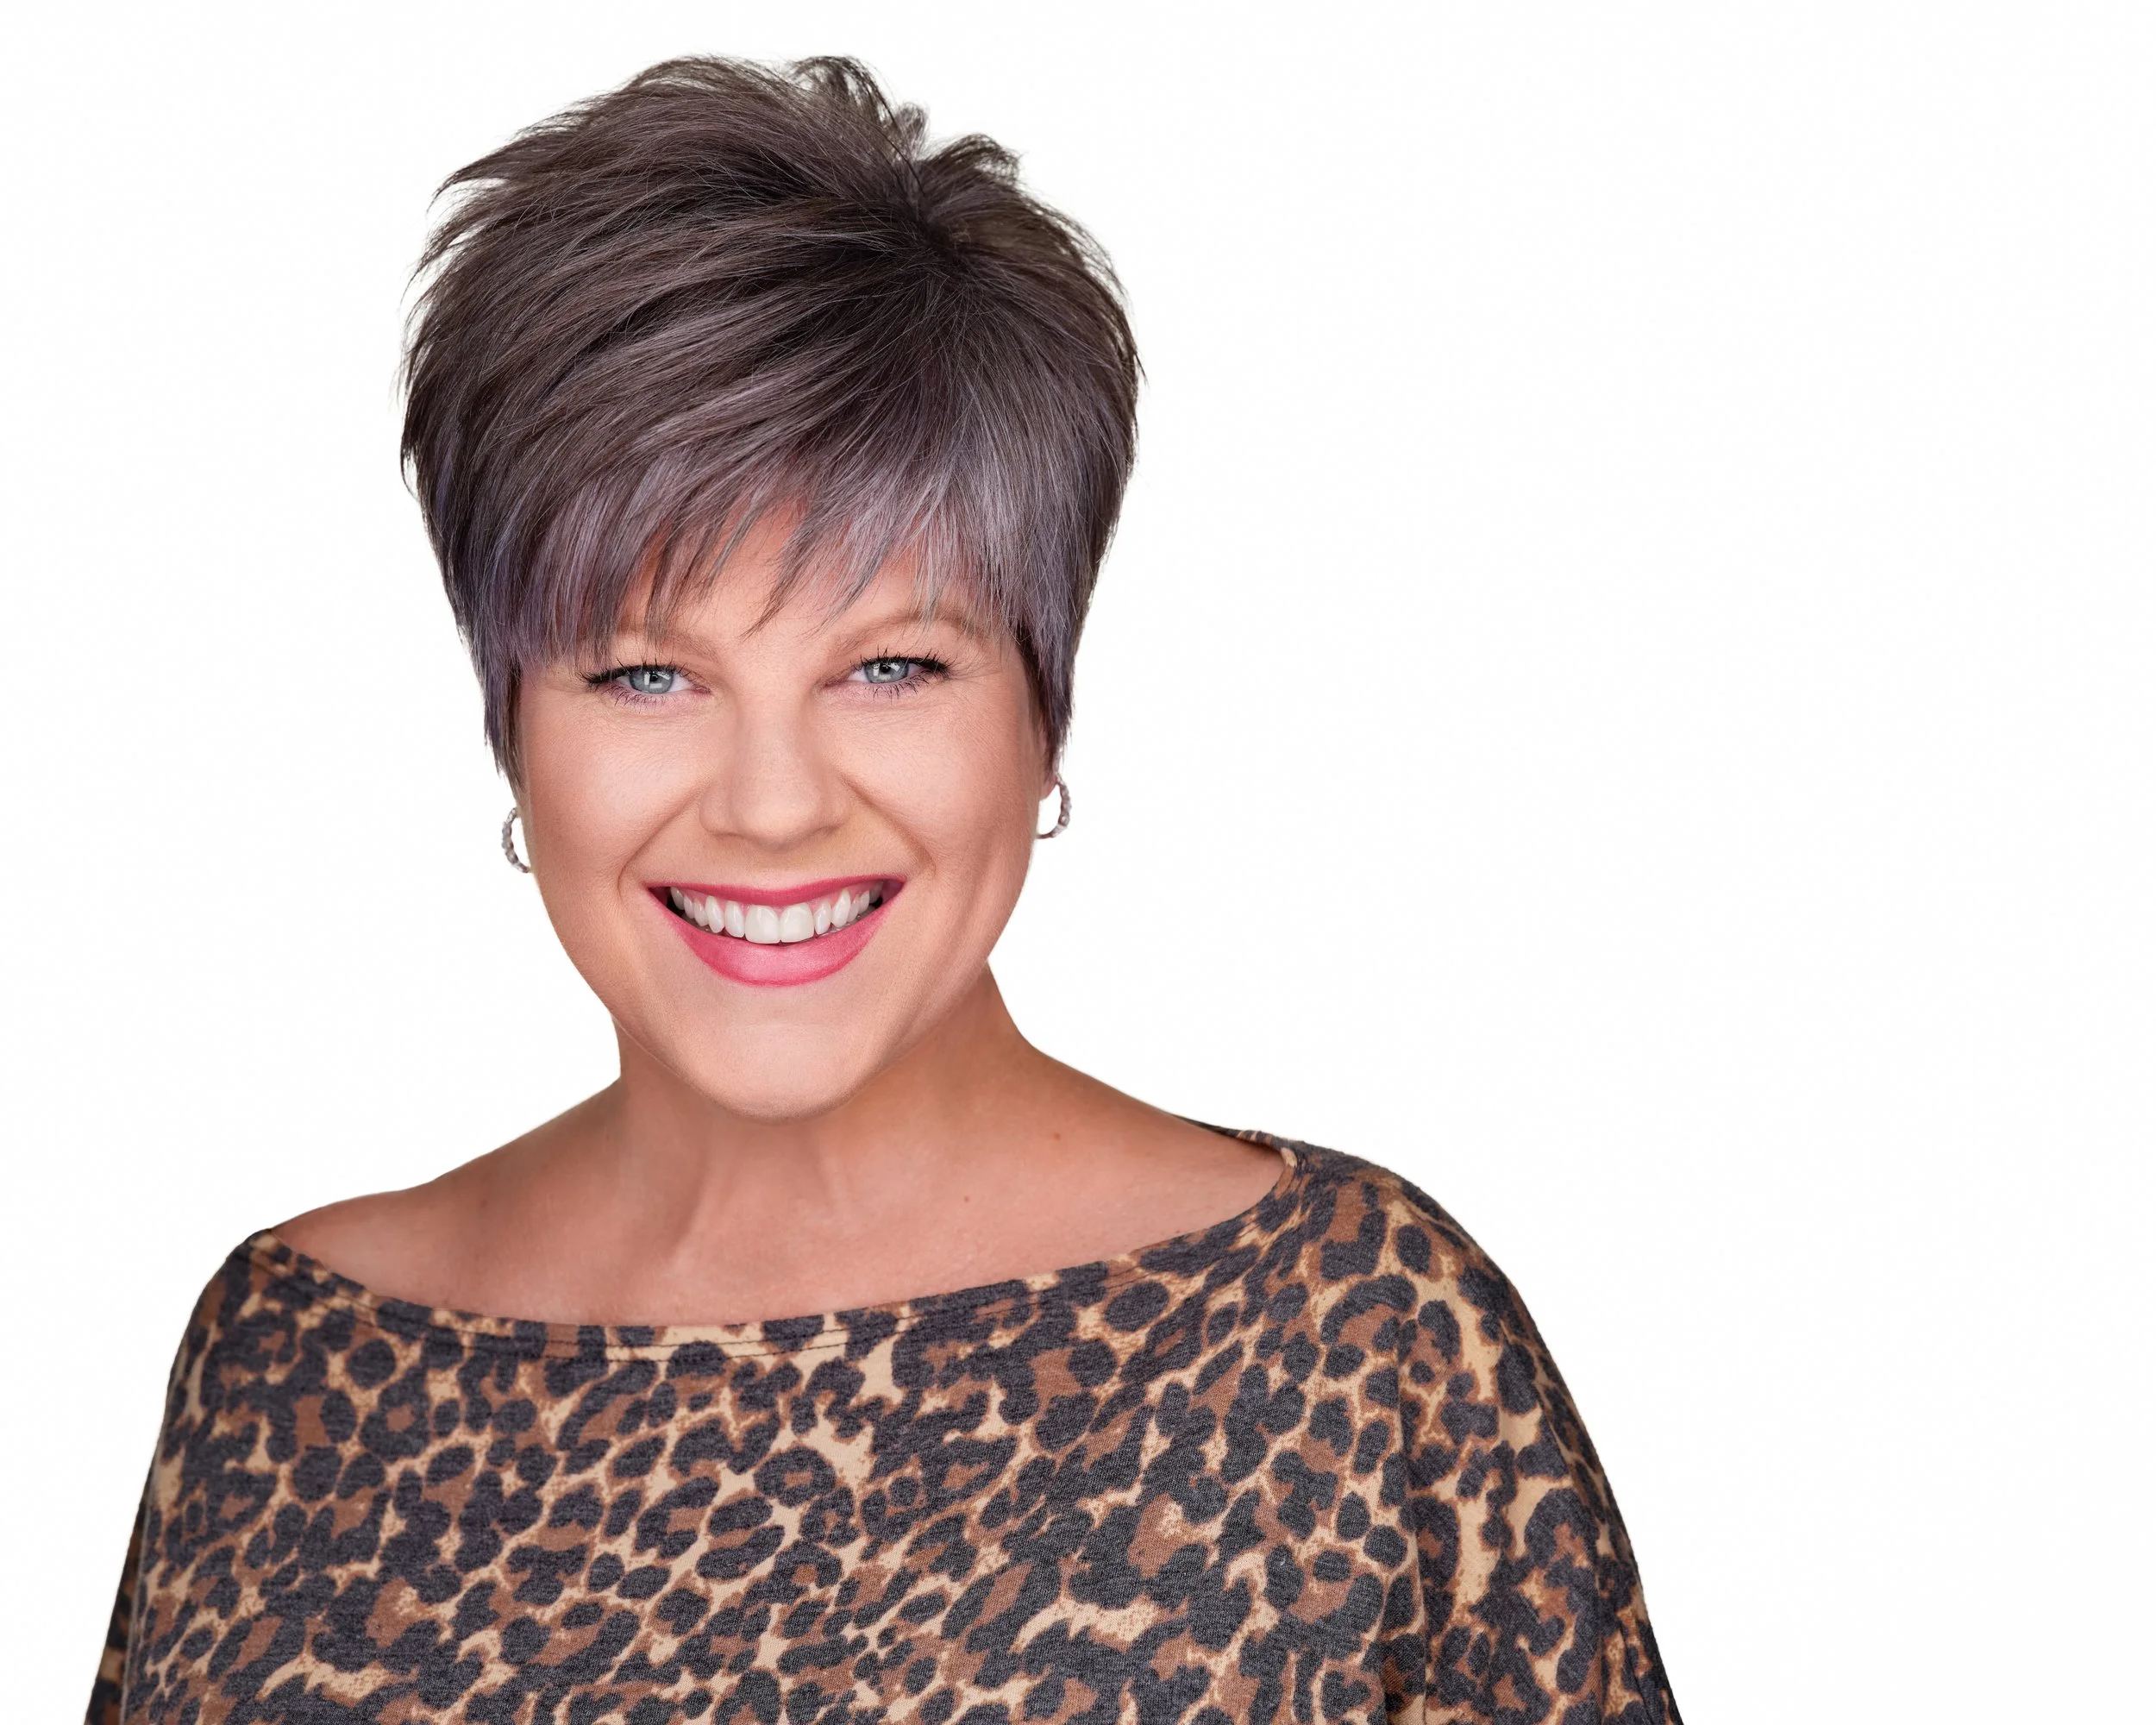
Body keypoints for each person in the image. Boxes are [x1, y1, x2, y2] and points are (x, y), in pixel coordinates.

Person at [89, 56, 1678, 1725]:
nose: (773, 805)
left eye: (892, 666)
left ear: (1044, 713)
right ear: (512, 727)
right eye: (645, 675)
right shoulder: (290, 1356)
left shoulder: (1351, 1336)